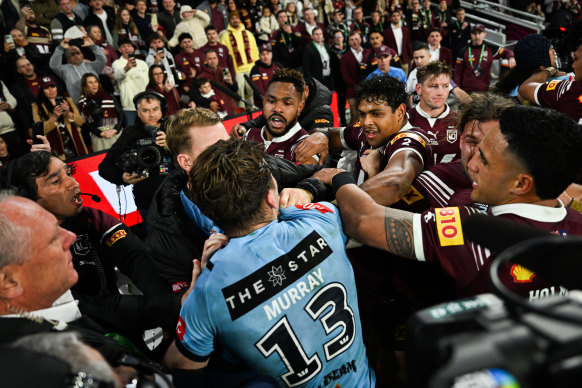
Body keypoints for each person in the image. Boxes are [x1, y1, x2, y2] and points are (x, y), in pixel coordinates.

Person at [163, 139, 376, 388]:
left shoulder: (206, 292)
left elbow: (179, 368)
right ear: (271, 197)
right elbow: (354, 208)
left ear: (211, 213)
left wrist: (190, 300)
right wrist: (314, 186)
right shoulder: (319, 221)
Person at [316, 105, 582, 300]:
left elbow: (362, 220)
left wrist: (339, 178)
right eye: (472, 147)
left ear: (521, 184)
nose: (472, 164)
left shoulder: (468, 227)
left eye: (485, 160)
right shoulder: (577, 225)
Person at [146, 107, 329, 289]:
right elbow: (176, 306)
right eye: (213, 150)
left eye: (227, 143)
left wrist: (307, 190)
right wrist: (207, 282)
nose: (228, 154)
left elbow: (326, 175)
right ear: (186, 162)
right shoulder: (164, 236)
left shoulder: (257, 165)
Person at [296, 75, 432, 208]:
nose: (367, 122)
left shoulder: (411, 140)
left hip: (396, 227)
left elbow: (395, 182)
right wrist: (321, 135)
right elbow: (331, 134)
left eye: (377, 114)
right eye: (362, 114)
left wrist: (335, 201)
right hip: (359, 221)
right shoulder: (365, 130)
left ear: (400, 112)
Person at [99, 91, 170, 218]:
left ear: (162, 109)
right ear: (138, 112)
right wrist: (122, 177)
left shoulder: (173, 128)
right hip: (148, 203)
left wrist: (171, 145)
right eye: (146, 110)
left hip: (179, 196)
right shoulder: (130, 134)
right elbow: (104, 167)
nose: (152, 114)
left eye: (155, 109)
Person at [239, 68, 316, 163]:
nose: (277, 109)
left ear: (300, 108)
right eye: (271, 101)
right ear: (264, 102)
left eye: (287, 103)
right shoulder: (249, 135)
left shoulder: (305, 145)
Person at [408, 61, 460, 165]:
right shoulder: (405, 120)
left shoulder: (461, 122)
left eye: (445, 86)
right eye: (434, 86)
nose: (440, 93)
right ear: (419, 89)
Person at [518, 39, 581, 123]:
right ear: (541, 65)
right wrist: (550, 71)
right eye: (550, 49)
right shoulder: (566, 84)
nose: (554, 50)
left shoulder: (567, 85)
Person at [32, 76, 88, 160]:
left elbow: (80, 122)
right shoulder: (37, 106)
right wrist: (54, 117)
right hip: (56, 149)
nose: (51, 90)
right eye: (46, 88)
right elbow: (40, 130)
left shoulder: (67, 100)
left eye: (53, 86)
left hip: (75, 145)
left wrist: (68, 112)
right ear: (42, 91)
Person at [453, 24, 516, 93]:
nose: (477, 36)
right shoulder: (463, 51)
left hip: (484, 92)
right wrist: (457, 90)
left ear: (484, 34)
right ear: (471, 35)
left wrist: (511, 58)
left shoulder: (490, 49)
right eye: (474, 33)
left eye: (479, 33)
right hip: (466, 92)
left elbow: (507, 51)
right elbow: (457, 73)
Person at [49, 36, 107, 106]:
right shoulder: (65, 69)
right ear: (67, 58)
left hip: (99, 102)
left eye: (78, 53)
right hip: (79, 105)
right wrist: (60, 48)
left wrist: (93, 46)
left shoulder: (92, 65)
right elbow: (53, 65)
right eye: (72, 54)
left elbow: (103, 60)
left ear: (82, 55)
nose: (76, 55)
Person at [220, 11, 260, 108]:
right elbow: (224, 55)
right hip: (236, 69)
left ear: (240, 20)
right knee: (240, 92)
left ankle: (252, 109)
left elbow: (254, 50)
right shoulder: (225, 36)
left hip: (250, 67)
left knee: (251, 90)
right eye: (232, 19)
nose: (235, 20)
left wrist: (256, 65)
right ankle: (241, 112)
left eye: (236, 18)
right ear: (229, 21)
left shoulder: (248, 33)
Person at [78, 73, 123, 152]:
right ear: (85, 85)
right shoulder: (83, 102)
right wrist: (100, 133)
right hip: (99, 136)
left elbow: (120, 115)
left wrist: (116, 130)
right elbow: (86, 123)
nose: (94, 85)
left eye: (96, 82)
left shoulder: (109, 96)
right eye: (90, 82)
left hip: (115, 133)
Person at [112, 38, 149, 126]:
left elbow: (148, 82)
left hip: (145, 103)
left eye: (129, 46)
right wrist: (127, 67)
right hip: (129, 105)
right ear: (120, 50)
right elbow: (117, 76)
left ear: (133, 49)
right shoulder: (117, 63)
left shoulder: (142, 63)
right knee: (131, 132)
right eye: (123, 46)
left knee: (148, 130)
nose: (127, 48)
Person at [196, 49, 239, 116]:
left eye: (214, 58)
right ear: (206, 61)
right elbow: (195, 95)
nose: (213, 61)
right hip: (216, 112)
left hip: (231, 108)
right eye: (209, 59)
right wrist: (209, 103)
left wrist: (231, 83)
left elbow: (235, 89)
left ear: (218, 59)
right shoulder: (201, 76)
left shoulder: (224, 70)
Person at [341, 30, 372, 123]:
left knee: (367, 113)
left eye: (356, 39)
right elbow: (345, 76)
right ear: (349, 42)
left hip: (368, 89)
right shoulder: (345, 57)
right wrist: (357, 85)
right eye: (352, 40)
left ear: (361, 39)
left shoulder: (368, 52)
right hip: (352, 90)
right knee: (354, 115)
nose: (354, 41)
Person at [251, 42, 281, 108]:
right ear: (259, 56)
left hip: (280, 101)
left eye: (268, 54)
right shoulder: (255, 69)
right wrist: (270, 101)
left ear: (272, 55)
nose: (266, 57)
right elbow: (259, 90)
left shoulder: (278, 66)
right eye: (263, 54)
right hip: (263, 105)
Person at [383, 8, 412, 75]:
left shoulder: (405, 30)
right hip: (392, 60)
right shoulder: (386, 31)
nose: (396, 17)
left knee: (405, 78)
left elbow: (408, 44)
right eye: (394, 16)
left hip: (404, 58)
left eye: (397, 15)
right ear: (390, 18)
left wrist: (412, 57)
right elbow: (385, 46)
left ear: (400, 17)